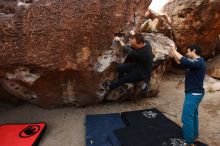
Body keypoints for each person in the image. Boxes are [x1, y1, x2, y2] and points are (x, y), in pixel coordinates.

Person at [169, 44, 206, 146]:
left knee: (186, 117)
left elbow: (185, 61)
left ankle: (189, 142)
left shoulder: (199, 62)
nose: (186, 53)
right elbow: (181, 63)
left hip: (194, 94)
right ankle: (194, 136)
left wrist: (174, 50)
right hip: (195, 93)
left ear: (193, 51)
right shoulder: (194, 63)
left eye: (188, 51)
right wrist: (174, 56)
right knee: (193, 115)